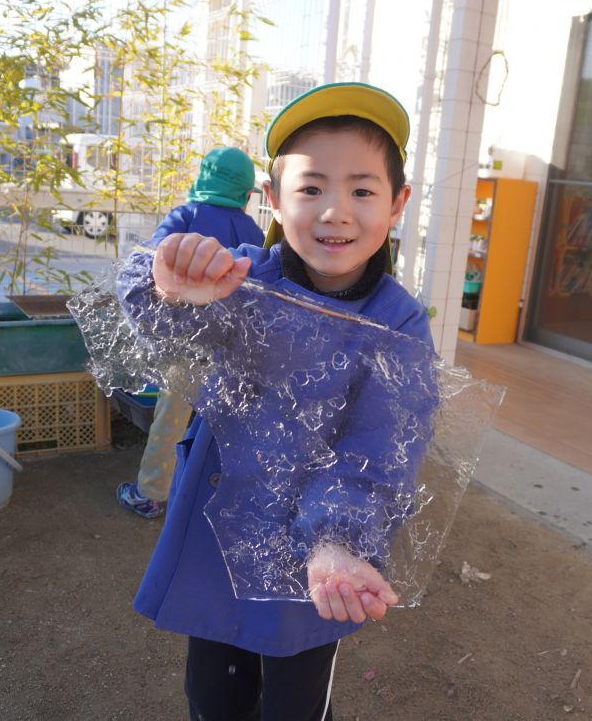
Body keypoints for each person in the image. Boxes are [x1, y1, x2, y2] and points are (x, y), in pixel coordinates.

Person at [118, 82, 433, 720]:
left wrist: (338, 539)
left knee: (293, 702)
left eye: (362, 190)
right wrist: (171, 286)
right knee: (211, 694)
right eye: (311, 188)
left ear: (397, 203)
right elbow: (156, 325)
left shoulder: (398, 323)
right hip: (217, 527)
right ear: (273, 199)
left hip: (311, 560)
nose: (335, 213)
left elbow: (378, 449)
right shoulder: (241, 279)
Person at [116, 146, 264, 518]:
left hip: (187, 344)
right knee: (227, 426)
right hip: (233, 349)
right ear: (246, 194)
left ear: (202, 180)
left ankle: (151, 493)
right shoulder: (253, 230)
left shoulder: (185, 215)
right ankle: (219, 502)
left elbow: (150, 264)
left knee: (171, 418)